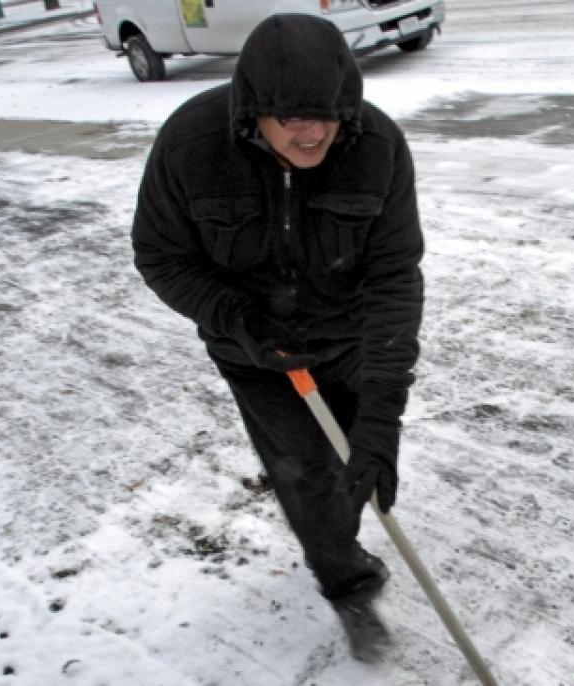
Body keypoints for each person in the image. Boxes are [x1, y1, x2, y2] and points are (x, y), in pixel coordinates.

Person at [130, 14, 424, 661]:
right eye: (292, 117)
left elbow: (394, 279)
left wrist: (382, 417)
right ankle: (348, 584)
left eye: (328, 114)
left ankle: (343, 515)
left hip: (348, 343)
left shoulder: (376, 148)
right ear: (253, 110)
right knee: (307, 483)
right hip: (256, 359)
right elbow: (160, 255)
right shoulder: (192, 144)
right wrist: (239, 318)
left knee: (357, 462)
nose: (314, 131)